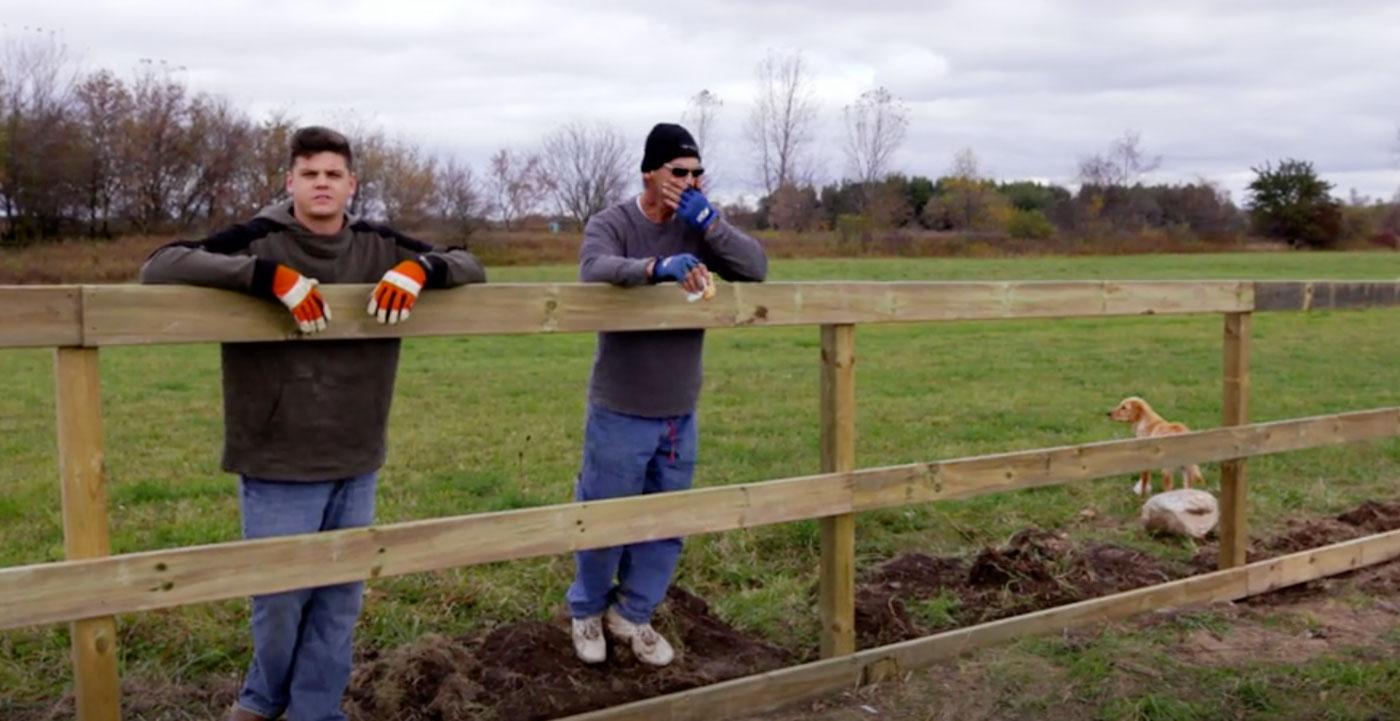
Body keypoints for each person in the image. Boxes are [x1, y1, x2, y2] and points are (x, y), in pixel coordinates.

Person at [140, 126, 485, 721]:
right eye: (309, 173)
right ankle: (259, 702)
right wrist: (266, 277)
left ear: (351, 184)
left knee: (339, 599)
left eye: (333, 174)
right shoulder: (260, 238)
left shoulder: (379, 242)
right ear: (290, 182)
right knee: (279, 599)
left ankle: (315, 711)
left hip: (356, 451)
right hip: (277, 455)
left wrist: (419, 271)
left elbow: (470, 263)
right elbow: (159, 265)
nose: (321, 183)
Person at [567, 123, 768, 667]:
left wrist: (710, 223)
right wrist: (656, 269)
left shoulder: (699, 224)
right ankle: (586, 610)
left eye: (698, 173)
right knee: (605, 516)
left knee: (667, 522)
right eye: (679, 172)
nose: (690, 180)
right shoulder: (614, 222)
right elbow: (594, 269)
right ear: (650, 174)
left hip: (681, 409)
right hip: (621, 405)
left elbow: (756, 268)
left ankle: (631, 615)